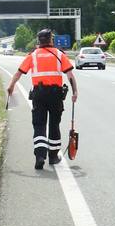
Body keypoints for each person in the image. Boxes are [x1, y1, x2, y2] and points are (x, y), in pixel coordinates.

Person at [6, 29, 78, 169]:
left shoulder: (32, 56)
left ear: (38, 41)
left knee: (39, 125)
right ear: (51, 40)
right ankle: (52, 156)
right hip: (56, 95)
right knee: (54, 125)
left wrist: (11, 86)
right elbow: (70, 76)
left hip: (39, 95)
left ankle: (40, 156)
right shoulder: (59, 54)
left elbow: (18, 74)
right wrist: (75, 92)